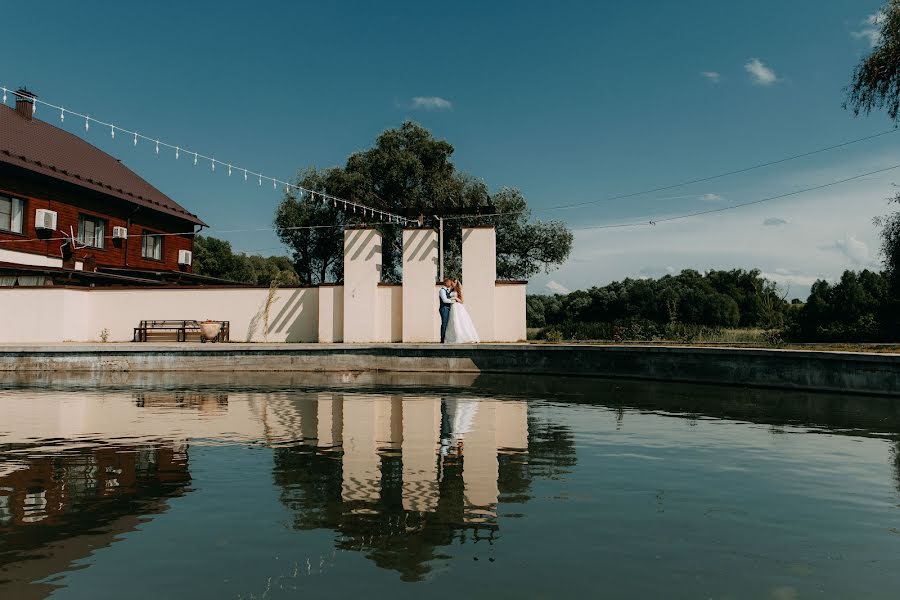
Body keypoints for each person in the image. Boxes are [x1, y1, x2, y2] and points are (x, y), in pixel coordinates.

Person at [438, 278, 455, 343]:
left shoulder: (448, 290)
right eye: (450, 283)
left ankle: (445, 338)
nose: (451, 284)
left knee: (447, 324)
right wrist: (453, 301)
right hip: (444, 308)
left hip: (447, 308)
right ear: (446, 283)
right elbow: (444, 300)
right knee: (444, 323)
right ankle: (442, 339)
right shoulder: (442, 290)